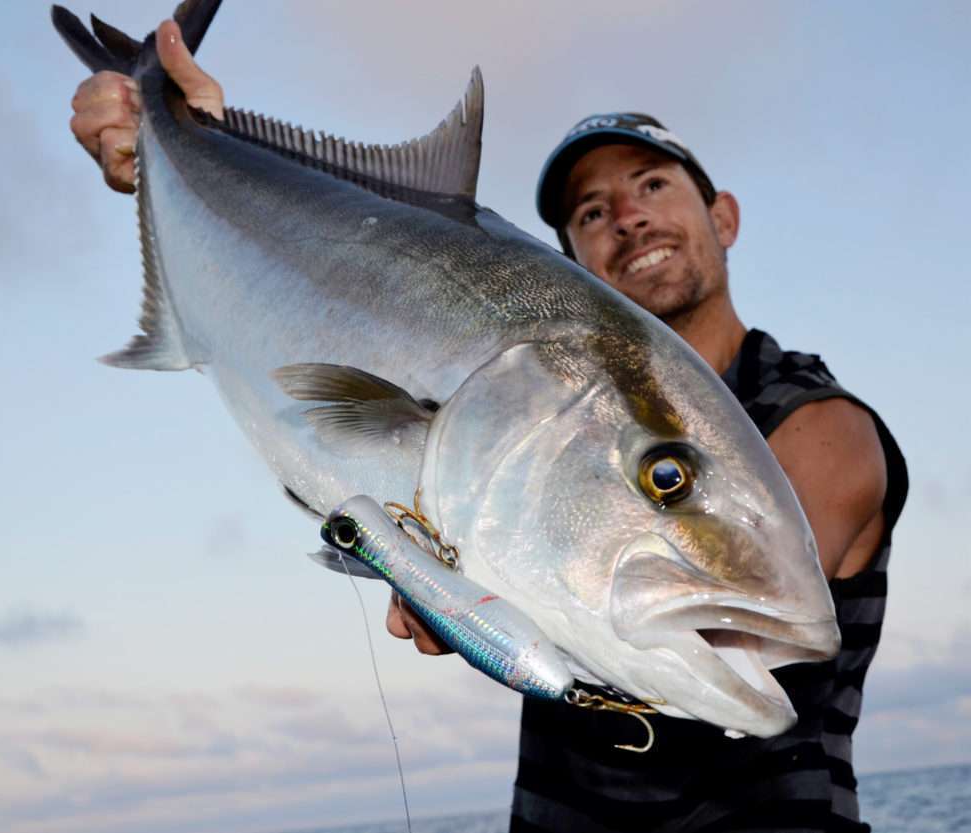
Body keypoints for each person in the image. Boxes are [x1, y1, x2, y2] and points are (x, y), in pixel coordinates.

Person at [69, 22, 907, 832]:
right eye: (590, 211)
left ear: (721, 215)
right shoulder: (526, 353)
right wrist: (184, 143)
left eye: (653, 183)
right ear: (576, 262)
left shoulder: (821, 419)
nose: (627, 217)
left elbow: (744, 592)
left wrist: (465, 590)